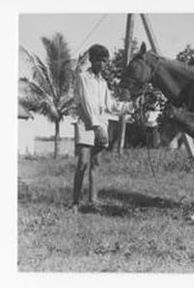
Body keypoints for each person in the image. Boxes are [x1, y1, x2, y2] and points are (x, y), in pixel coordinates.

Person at [72, 44, 139, 212]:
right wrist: (96, 127)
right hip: (86, 123)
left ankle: (93, 201)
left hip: (101, 123)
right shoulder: (83, 77)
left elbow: (111, 105)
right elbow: (86, 104)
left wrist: (131, 106)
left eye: (105, 61)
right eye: (100, 60)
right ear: (92, 60)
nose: (103, 64)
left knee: (96, 163)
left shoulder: (103, 82)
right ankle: (75, 202)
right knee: (83, 162)